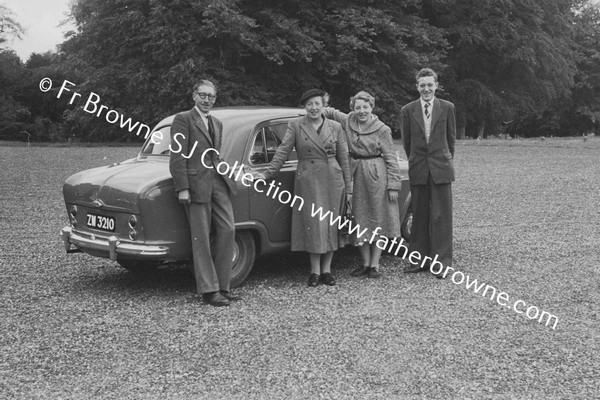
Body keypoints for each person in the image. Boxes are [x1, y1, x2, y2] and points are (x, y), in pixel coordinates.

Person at [259, 89, 353, 287]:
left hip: (332, 179)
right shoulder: (296, 125)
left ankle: (327, 271)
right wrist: (268, 173)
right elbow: (283, 150)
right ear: (304, 106)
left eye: (317, 103)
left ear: (323, 105)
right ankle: (314, 271)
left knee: (330, 225)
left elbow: (344, 158)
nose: (314, 108)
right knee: (314, 224)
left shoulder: (335, 126)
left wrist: (349, 188)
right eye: (309, 104)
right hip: (308, 180)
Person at [169, 79, 241, 306]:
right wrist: (182, 188)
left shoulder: (217, 123)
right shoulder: (183, 119)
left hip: (218, 182)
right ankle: (209, 291)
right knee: (200, 238)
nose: (207, 100)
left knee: (228, 230)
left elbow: (214, 155)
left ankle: (223, 285)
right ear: (194, 96)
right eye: (203, 95)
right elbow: (177, 157)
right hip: (196, 185)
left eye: (211, 96)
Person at [323, 91, 402, 278]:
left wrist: (393, 185)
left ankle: (375, 264)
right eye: (358, 107)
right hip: (355, 172)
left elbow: (391, 158)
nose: (361, 111)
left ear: (371, 107)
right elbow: (332, 112)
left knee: (377, 218)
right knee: (359, 219)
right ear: (353, 108)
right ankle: (365, 263)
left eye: (365, 107)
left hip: (375, 173)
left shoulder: (382, 129)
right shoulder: (349, 120)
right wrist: (316, 107)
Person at [400, 68, 456, 278]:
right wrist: (417, 161)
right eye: (422, 85)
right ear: (417, 87)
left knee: (442, 216)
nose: (426, 89)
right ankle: (418, 261)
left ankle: (441, 263)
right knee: (419, 216)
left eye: (429, 85)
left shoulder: (448, 108)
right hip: (419, 167)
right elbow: (407, 142)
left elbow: (451, 141)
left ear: (436, 85)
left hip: (441, 168)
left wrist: (444, 162)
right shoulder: (408, 110)